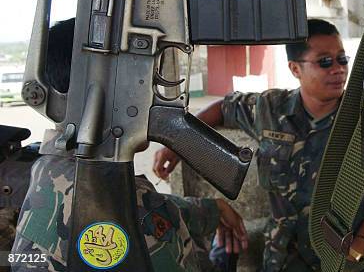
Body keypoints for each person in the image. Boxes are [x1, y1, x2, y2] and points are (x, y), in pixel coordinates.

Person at [154, 19, 364, 271]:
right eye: (325, 62)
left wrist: (358, 249)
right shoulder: (270, 109)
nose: (338, 69)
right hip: (283, 258)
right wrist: (180, 142)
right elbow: (224, 107)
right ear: (295, 69)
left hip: (343, 260)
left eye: (342, 59)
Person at [11, 18, 248, 272]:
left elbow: (141, 204)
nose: (151, 91)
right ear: (111, 89)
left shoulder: (50, 167)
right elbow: (145, 216)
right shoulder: (119, 201)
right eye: (144, 79)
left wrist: (210, 211)